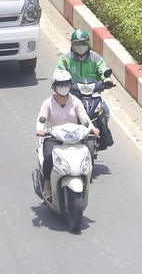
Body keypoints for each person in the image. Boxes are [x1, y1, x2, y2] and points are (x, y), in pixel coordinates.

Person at [35, 70, 98, 199]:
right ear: (54, 86)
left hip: (74, 138)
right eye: (60, 85)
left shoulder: (75, 102)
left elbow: (85, 119)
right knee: (48, 157)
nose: (63, 88)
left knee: (87, 156)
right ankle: (47, 186)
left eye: (66, 85)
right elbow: (41, 120)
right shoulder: (48, 103)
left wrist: (92, 129)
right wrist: (41, 130)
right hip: (54, 138)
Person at [56, 29, 113, 149]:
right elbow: (59, 72)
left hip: (93, 93)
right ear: (72, 45)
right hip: (73, 94)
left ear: (88, 43)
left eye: (83, 43)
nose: (80, 46)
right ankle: (59, 137)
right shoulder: (66, 59)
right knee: (62, 112)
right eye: (77, 44)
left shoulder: (96, 58)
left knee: (105, 110)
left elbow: (103, 69)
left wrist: (107, 80)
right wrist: (61, 82)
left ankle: (104, 135)